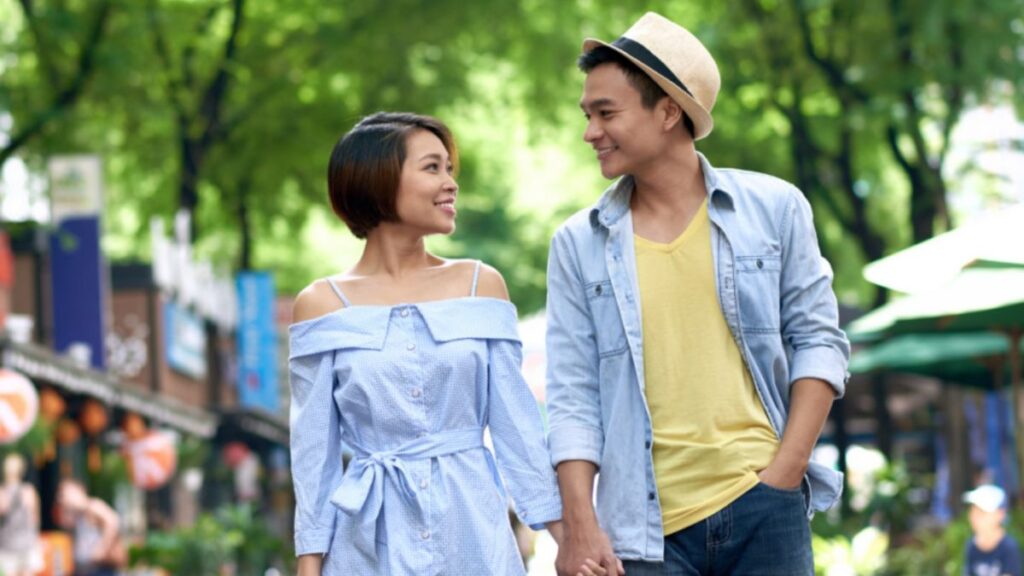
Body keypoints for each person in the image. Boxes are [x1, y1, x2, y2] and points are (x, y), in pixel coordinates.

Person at [544, 12, 851, 576]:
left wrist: (786, 472)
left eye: (606, 113)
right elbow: (571, 392)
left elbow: (818, 340)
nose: (590, 132)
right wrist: (580, 525)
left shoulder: (775, 209)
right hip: (641, 536)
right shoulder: (577, 243)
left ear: (668, 111)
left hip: (763, 507)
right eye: (587, 114)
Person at [289, 112, 605, 576]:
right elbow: (314, 455)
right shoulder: (320, 305)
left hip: (474, 535)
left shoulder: (480, 285)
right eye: (432, 168)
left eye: (450, 169)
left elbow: (516, 429)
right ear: (378, 178)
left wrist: (569, 540)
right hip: (367, 545)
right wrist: (309, 566)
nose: (450, 183)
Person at [56, 478, 124, 576]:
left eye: (65, 493)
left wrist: (102, 548)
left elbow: (113, 521)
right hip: (87, 570)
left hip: (101, 568)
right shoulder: (77, 516)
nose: (62, 498)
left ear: (78, 490)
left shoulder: (92, 506)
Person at [963, 484, 1022, 576]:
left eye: (982, 512)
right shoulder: (971, 545)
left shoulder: (1009, 548)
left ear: (1000, 514)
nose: (975, 516)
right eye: (973, 511)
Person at [0, 453, 42, 576]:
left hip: (8, 545)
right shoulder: (29, 491)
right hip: (27, 544)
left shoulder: (2, 493)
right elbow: (35, 520)